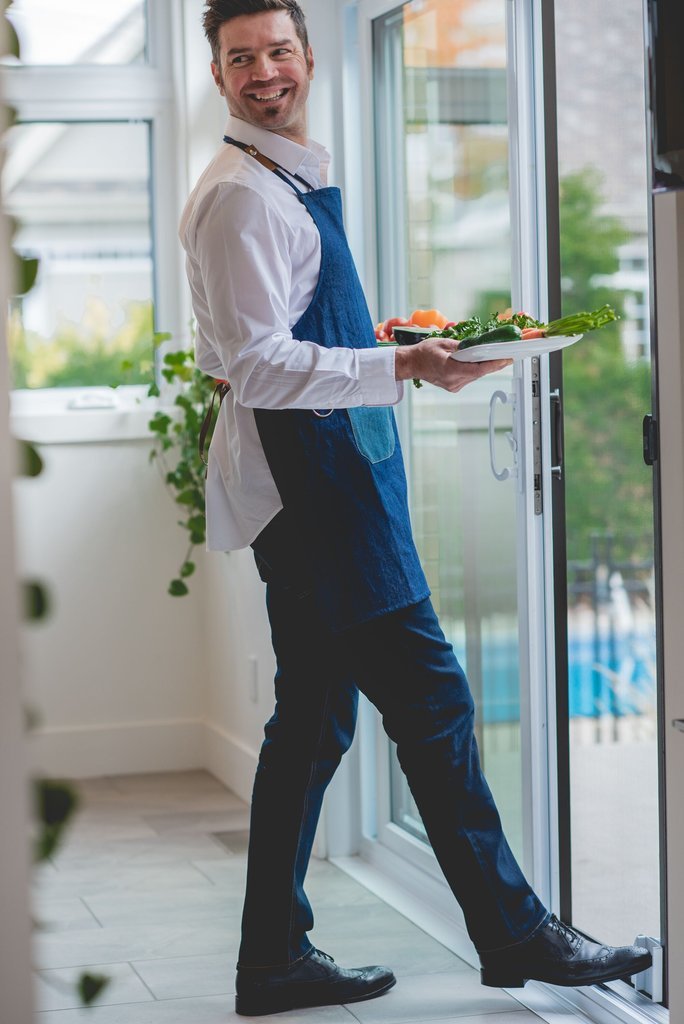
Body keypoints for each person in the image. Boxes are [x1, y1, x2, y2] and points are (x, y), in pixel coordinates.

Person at [180, 1, 651, 1016]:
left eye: (278, 51)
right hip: (318, 505)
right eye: (240, 58)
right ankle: (517, 932)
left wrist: (396, 341)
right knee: (429, 704)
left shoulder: (281, 177)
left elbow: (239, 346)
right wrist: (400, 361)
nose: (265, 71)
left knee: (313, 726)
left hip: (323, 486)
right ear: (216, 74)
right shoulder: (242, 196)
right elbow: (255, 365)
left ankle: (272, 958)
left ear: (306, 56)